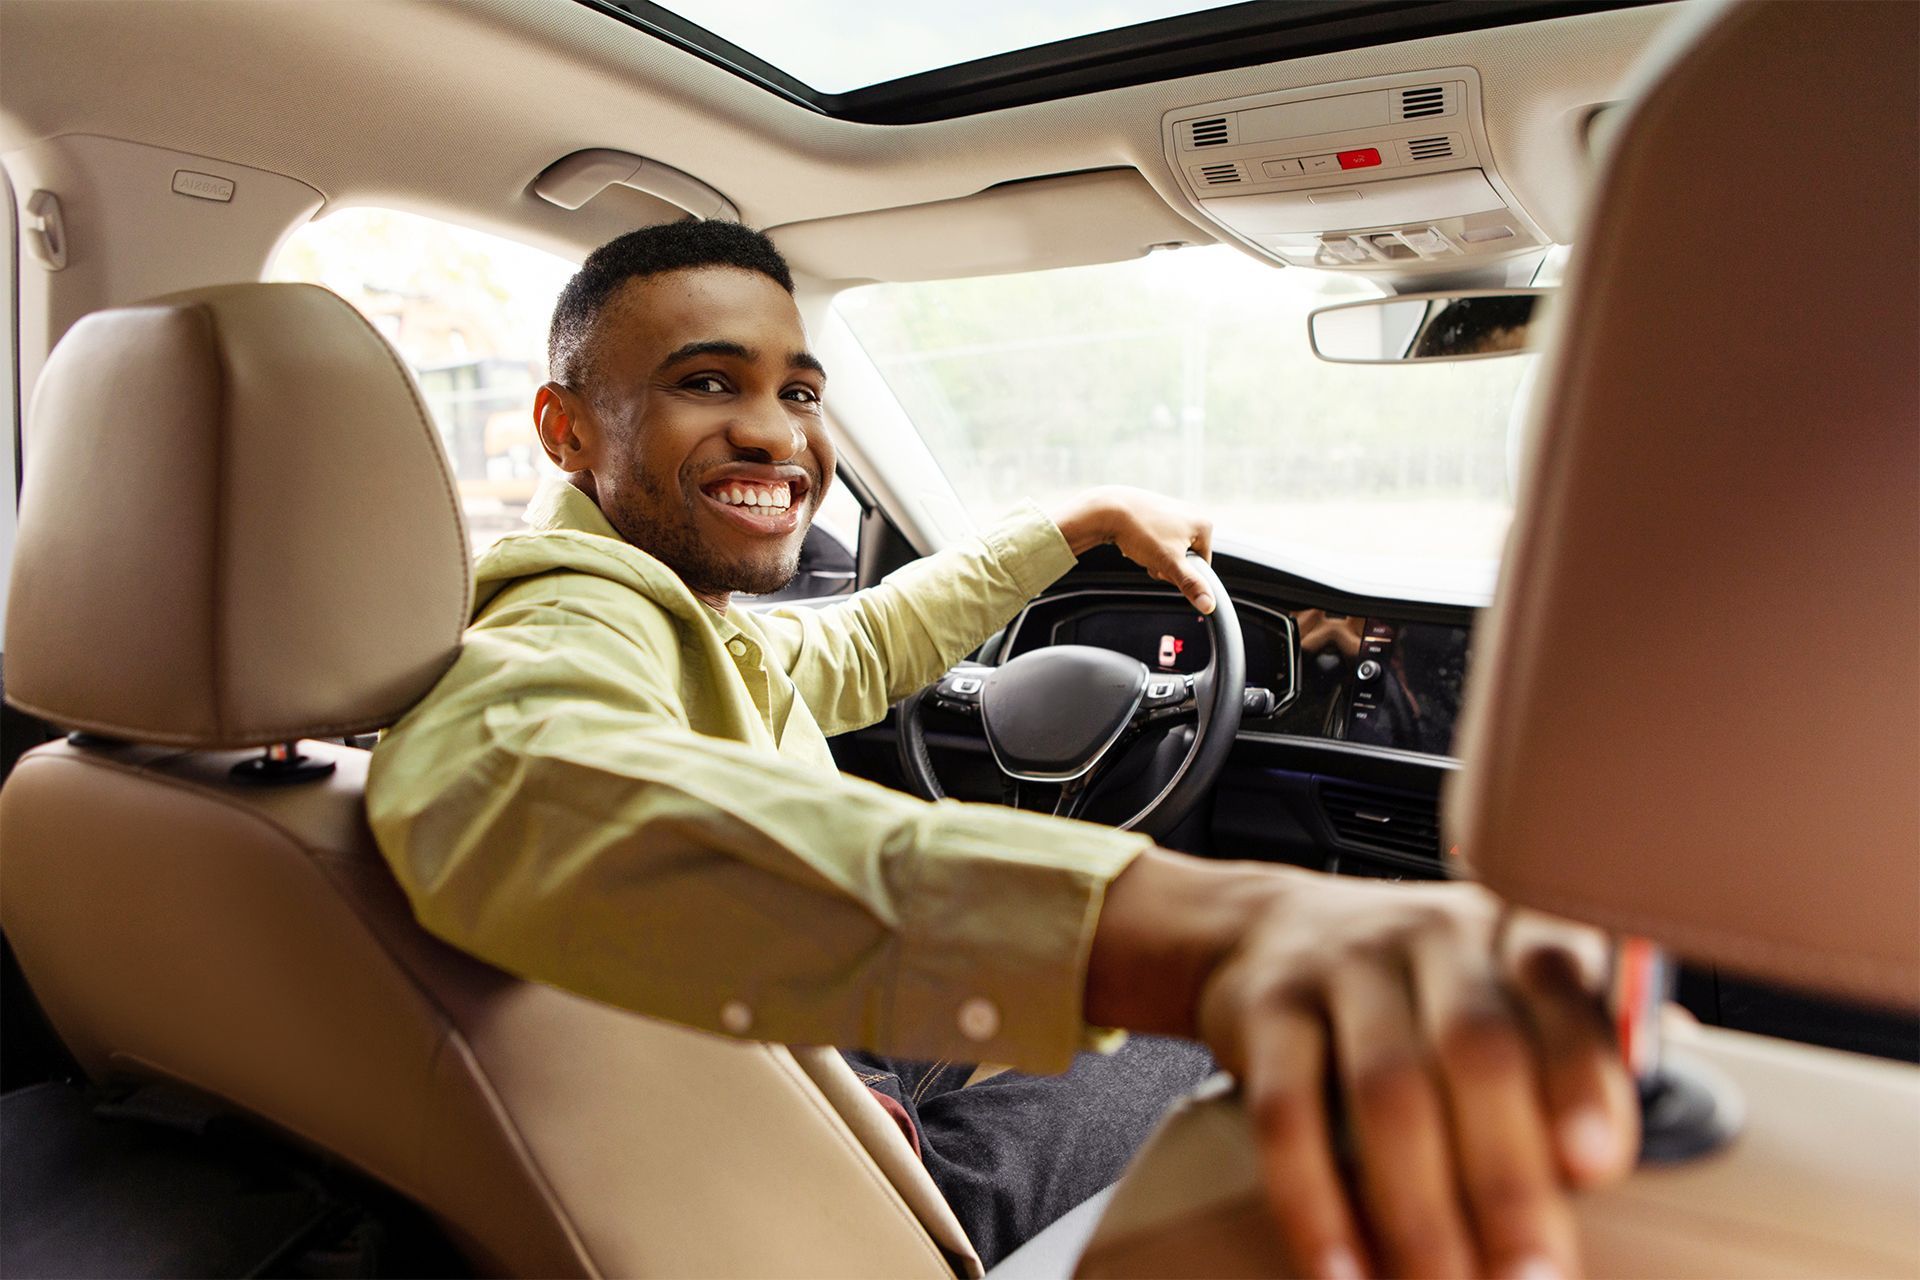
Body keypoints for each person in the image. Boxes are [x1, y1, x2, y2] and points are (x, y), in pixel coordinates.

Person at [367, 219, 1637, 1279]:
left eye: (798, 391)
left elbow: (858, 647)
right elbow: (511, 779)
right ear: (564, 427)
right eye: (709, 383)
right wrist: (1200, 926)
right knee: (1192, 1045)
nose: (778, 436)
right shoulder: (564, 616)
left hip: (784, 1065)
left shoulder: (679, 613)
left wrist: (1070, 524)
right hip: (843, 1173)